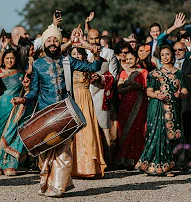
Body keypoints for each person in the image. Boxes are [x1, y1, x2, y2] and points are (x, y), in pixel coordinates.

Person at [13, 25, 103, 197]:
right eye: (49, 40)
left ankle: (58, 187)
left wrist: (96, 54)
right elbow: (34, 91)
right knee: (44, 153)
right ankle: (49, 183)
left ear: (60, 41)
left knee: (63, 152)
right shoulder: (38, 65)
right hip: (45, 113)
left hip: (65, 113)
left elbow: (93, 68)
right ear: (44, 44)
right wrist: (24, 99)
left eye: (55, 39)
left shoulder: (68, 60)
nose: (52, 43)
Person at [135, 45, 188, 176]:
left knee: (169, 137)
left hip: (173, 108)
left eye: (167, 54)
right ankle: (150, 165)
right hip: (157, 107)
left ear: (172, 56)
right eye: (162, 55)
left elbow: (185, 91)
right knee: (156, 134)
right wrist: (157, 95)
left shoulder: (178, 73)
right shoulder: (155, 73)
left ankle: (167, 167)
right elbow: (149, 91)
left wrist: (180, 93)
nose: (165, 57)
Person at [69, 47, 107, 178]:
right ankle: (72, 168)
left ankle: (90, 167)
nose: (76, 56)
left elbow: (98, 67)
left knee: (88, 130)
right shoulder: (68, 68)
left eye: (79, 53)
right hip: (73, 100)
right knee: (73, 132)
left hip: (85, 99)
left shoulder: (87, 67)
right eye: (73, 54)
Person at [0, 49, 27, 176]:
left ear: (16, 59)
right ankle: (0, 164)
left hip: (15, 107)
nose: (9, 61)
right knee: (1, 135)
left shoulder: (20, 74)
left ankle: (10, 165)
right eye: (7, 58)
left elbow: (27, 90)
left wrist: (26, 88)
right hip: (0, 107)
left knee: (11, 134)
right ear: (3, 59)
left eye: (12, 58)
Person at [86, 28, 119, 167]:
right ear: (87, 39)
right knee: (86, 128)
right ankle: (89, 161)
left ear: (100, 38)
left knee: (104, 128)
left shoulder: (109, 53)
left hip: (101, 94)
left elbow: (115, 76)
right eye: (91, 38)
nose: (93, 41)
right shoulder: (82, 52)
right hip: (84, 94)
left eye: (96, 38)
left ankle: (107, 160)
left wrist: (101, 79)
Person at [116, 51, 148, 170]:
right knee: (125, 130)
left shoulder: (143, 72)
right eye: (127, 59)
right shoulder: (123, 73)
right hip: (125, 106)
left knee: (138, 130)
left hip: (139, 105)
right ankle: (124, 158)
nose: (129, 61)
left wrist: (138, 87)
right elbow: (119, 90)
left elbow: (147, 87)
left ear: (137, 60)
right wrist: (131, 87)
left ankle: (137, 158)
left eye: (131, 59)